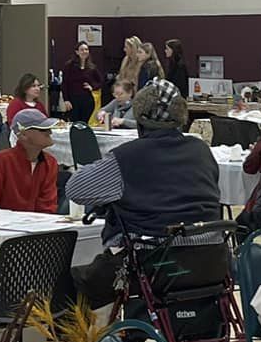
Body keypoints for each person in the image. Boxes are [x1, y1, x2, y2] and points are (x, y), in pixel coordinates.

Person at [64, 81, 225, 288]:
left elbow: (74, 189)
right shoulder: (201, 150)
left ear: (140, 116)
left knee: (73, 281)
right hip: (210, 259)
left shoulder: (127, 157)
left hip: (153, 261)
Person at [0, 109, 61, 214]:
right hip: (4, 224)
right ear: (23, 135)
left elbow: (48, 205)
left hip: (39, 224)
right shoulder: (2, 160)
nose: (50, 132)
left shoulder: (50, 162)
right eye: (43, 129)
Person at [60, 43, 104, 123]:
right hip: (73, 100)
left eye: (86, 49)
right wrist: (66, 100)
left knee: (85, 123)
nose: (84, 51)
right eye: (82, 50)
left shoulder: (91, 67)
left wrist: (92, 87)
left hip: (87, 100)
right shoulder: (69, 66)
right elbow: (64, 84)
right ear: (77, 52)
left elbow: (100, 81)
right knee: (75, 123)